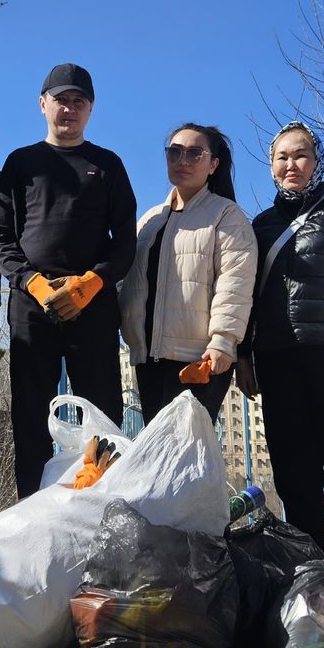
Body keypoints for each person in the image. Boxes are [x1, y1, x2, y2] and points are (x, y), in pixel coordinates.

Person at [0, 64, 137, 498]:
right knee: (30, 416)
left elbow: (125, 242)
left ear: (90, 109)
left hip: (91, 306)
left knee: (103, 414)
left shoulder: (107, 165)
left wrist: (89, 284)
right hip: (32, 307)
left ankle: (102, 503)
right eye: (60, 100)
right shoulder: (20, 163)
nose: (69, 109)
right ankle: (31, 509)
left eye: (79, 101)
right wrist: (32, 282)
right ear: (42, 104)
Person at [242, 121, 324, 556]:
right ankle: (311, 566)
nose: (290, 164)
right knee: (294, 470)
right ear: (271, 165)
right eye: (281, 157)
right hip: (277, 357)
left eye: (300, 155)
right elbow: (243, 297)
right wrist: (243, 357)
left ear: (317, 161)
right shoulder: (258, 226)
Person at [120, 124, 256, 424]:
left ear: (213, 164)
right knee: (159, 456)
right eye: (175, 152)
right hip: (148, 356)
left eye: (195, 153)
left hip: (200, 358)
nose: (183, 160)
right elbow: (129, 281)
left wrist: (223, 340)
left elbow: (235, 282)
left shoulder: (227, 215)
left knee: (186, 455)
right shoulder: (151, 219)